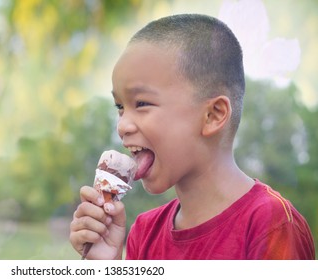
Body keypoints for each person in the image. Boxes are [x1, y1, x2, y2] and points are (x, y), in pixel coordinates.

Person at [69, 14, 315, 260]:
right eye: (120, 107)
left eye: (141, 103)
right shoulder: (143, 232)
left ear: (212, 115)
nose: (122, 125)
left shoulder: (270, 223)